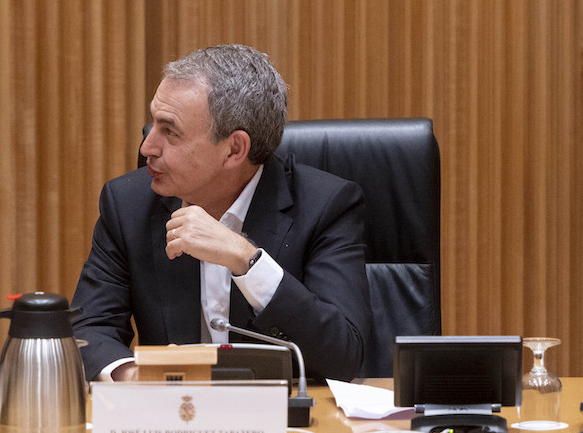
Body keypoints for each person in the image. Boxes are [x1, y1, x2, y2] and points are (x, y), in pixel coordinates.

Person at [71, 44, 371, 382]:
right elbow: (88, 329)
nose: (147, 148)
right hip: (169, 422)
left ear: (234, 149)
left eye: (170, 131)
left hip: (280, 425)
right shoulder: (128, 204)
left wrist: (247, 260)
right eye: (153, 123)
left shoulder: (325, 206)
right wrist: (134, 375)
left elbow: (345, 358)